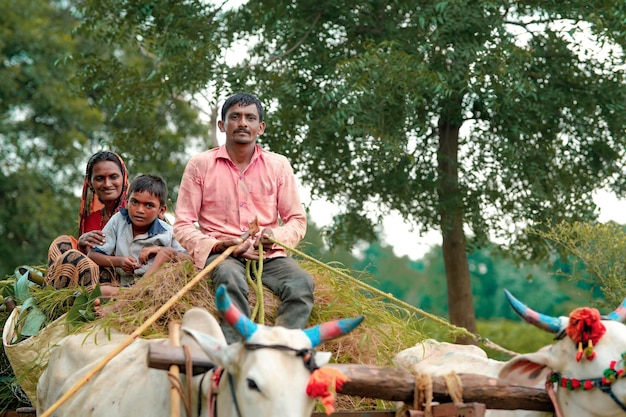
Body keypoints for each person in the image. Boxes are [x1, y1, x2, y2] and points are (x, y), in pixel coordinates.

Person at [174, 92, 314, 343]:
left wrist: (274, 236)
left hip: (268, 255)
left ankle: (282, 347)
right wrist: (217, 245)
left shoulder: (278, 165)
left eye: (250, 118)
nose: (242, 123)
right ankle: (236, 350)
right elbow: (183, 223)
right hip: (223, 254)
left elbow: (296, 220)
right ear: (222, 125)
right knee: (229, 277)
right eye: (235, 117)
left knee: (302, 283)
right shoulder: (200, 164)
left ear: (260, 127)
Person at [45, 151, 129, 293]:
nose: (107, 184)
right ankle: (54, 293)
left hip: (121, 279)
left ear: (124, 178)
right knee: (62, 242)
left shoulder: (136, 214)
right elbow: (86, 256)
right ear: (90, 183)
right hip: (89, 274)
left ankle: (54, 291)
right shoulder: (91, 219)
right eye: (100, 178)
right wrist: (82, 245)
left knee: (80, 259)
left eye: (113, 177)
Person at [88, 174, 190, 289]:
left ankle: (136, 293)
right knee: (102, 291)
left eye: (149, 205)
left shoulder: (168, 232)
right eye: (135, 202)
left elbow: (190, 261)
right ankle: (130, 296)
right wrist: (119, 261)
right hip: (124, 287)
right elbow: (92, 255)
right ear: (126, 202)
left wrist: (159, 250)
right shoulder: (118, 221)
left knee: (166, 252)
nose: (140, 210)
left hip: (155, 288)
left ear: (161, 211)